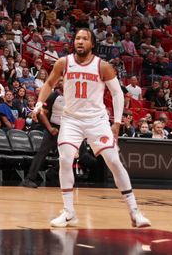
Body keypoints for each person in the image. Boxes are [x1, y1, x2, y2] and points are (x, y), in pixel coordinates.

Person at [33, 29, 150, 228]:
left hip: (97, 121)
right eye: (77, 38)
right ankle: (69, 213)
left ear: (92, 44)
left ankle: (135, 212)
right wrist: (39, 103)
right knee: (65, 158)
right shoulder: (63, 63)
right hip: (71, 120)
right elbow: (49, 83)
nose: (80, 41)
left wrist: (117, 123)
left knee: (113, 161)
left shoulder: (102, 66)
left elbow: (117, 94)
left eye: (85, 39)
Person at [21, 85, 63, 188]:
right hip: (53, 127)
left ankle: (53, 173)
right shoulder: (53, 96)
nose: (63, 82)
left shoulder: (72, 97)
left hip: (66, 128)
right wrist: (50, 128)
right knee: (42, 152)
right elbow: (41, 113)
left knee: (71, 155)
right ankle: (29, 179)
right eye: (60, 81)